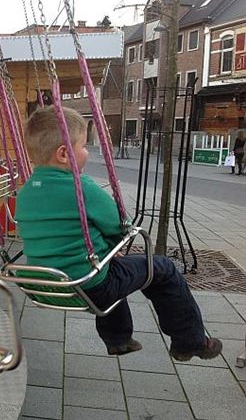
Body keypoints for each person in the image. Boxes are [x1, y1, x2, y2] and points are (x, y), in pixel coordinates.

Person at [16, 106, 222, 360]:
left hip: (47, 283)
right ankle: (190, 341)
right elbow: (120, 226)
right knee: (162, 269)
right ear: (63, 154)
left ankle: (118, 339)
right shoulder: (83, 188)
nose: (86, 152)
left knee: (110, 262)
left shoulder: (25, 191)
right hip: (89, 284)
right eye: (83, 146)